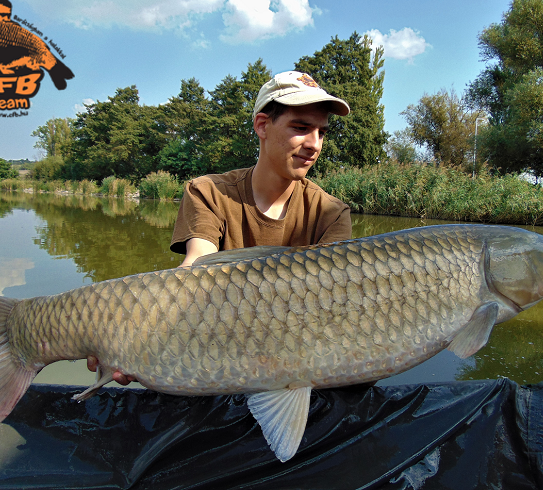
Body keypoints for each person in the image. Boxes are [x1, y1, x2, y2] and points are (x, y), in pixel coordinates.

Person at [87, 71, 352, 385]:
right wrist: (131, 327)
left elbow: (327, 306)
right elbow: (195, 269)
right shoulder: (207, 192)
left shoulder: (331, 212)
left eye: (321, 132)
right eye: (301, 128)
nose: (314, 144)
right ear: (262, 125)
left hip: (293, 356)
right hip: (214, 350)